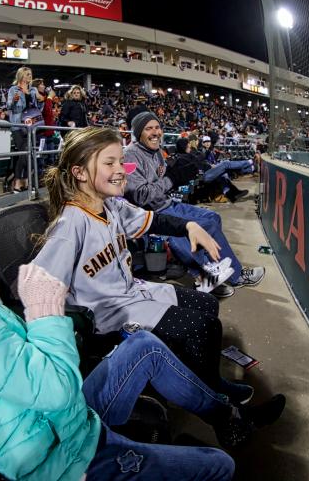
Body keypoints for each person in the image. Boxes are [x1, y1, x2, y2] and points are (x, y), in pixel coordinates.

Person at [0, 217, 285, 480]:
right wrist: (44, 311)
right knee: (219, 469)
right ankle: (226, 421)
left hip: (58, 423)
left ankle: (227, 417)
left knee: (144, 345)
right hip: (63, 459)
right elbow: (53, 387)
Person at [33, 126, 287, 412]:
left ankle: (201, 378)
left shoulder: (111, 206)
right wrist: (63, 347)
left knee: (206, 304)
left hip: (131, 292)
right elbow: (37, 290)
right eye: (110, 163)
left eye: (120, 161)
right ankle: (216, 400)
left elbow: (154, 220)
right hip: (108, 315)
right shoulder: (69, 226)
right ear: (79, 173)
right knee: (204, 327)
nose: (121, 170)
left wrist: (189, 225)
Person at [124, 112, 266, 296]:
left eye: (157, 127)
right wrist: (172, 179)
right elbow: (141, 196)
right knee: (199, 227)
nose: (155, 132)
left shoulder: (157, 152)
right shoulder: (130, 156)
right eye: (148, 128)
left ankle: (214, 272)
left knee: (212, 217)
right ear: (138, 133)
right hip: (150, 213)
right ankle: (223, 276)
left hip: (167, 203)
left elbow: (166, 181)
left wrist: (180, 175)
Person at [6, 66, 38, 192]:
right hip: (17, 126)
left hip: (31, 125)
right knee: (24, 152)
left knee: (27, 153)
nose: (29, 77)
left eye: (30, 74)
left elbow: (36, 106)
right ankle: (23, 181)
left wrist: (28, 93)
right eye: (26, 74)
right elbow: (9, 106)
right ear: (21, 76)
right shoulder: (13, 89)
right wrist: (14, 100)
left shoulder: (33, 90)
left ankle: (21, 181)